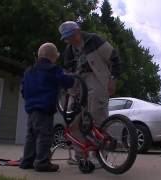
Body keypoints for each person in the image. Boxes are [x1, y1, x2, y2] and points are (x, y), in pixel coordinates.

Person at [19, 43, 74, 172]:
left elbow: (23, 90)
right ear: (53, 57)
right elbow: (66, 81)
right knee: (44, 135)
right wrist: (71, 78)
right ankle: (42, 162)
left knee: (31, 135)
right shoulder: (53, 69)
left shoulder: (29, 71)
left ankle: (27, 161)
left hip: (31, 109)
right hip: (45, 108)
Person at [58, 21, 121, 128]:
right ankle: (79, 143)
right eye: (67, 38)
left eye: (71, 36)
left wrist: (113, 79)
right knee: (73, 114)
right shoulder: (69, 50)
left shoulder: (94, 40)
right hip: (78, 82)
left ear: (78, 31)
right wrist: (69, 88)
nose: (70, 40)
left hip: (96, 78)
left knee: (96, 112)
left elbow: (114, 58)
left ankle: (102, 142)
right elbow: (68, 71)